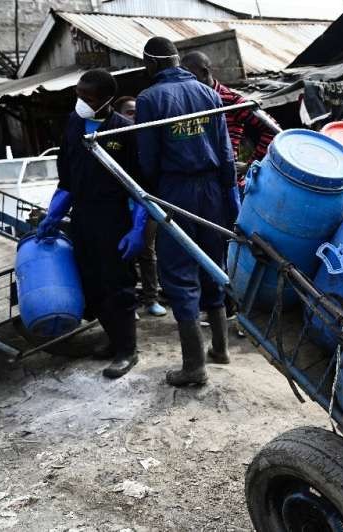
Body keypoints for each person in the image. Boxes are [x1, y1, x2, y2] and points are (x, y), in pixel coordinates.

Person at [135, 37, 240, 387]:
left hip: (176, 190)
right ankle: (221, 349)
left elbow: (148, 158)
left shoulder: (150, 99)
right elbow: (225, 150)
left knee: (180, 274)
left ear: (151, 63)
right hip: (212, 189)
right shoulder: (208, 93)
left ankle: (194, 365)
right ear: (177, 60)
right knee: (213, 264)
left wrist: (150, 194)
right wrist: (229, 197)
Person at [36, 69, 146, 379]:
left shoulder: (124, 131)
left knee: (118, 283)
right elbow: (67, 178)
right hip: (82, 216)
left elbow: (138, 188)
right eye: (78, 95)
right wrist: (53, 216)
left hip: (113, 217)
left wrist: (137, 229)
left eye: (88, 98)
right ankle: (113, 341)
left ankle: (128, 350)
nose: (81, 102)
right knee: (92, 281)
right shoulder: (73, 125)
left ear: (107, 100)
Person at [180, 51, 278, 196]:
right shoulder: (189, 101)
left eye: (190, 76)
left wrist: (249, 165)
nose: (186, 81)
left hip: (227, 184)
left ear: (204, 72)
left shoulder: (230, 100)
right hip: (199, 183)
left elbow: (273, 129)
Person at [114, 96, 167, 318]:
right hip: (120, 204)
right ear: (118, 115)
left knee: (147, 251)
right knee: (122, 254)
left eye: (137, 112)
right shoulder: (113, 140)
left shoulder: (149, 138)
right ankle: (129, 301)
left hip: (147, 203)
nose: (134, 116)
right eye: (129, 112)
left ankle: (151, 298)